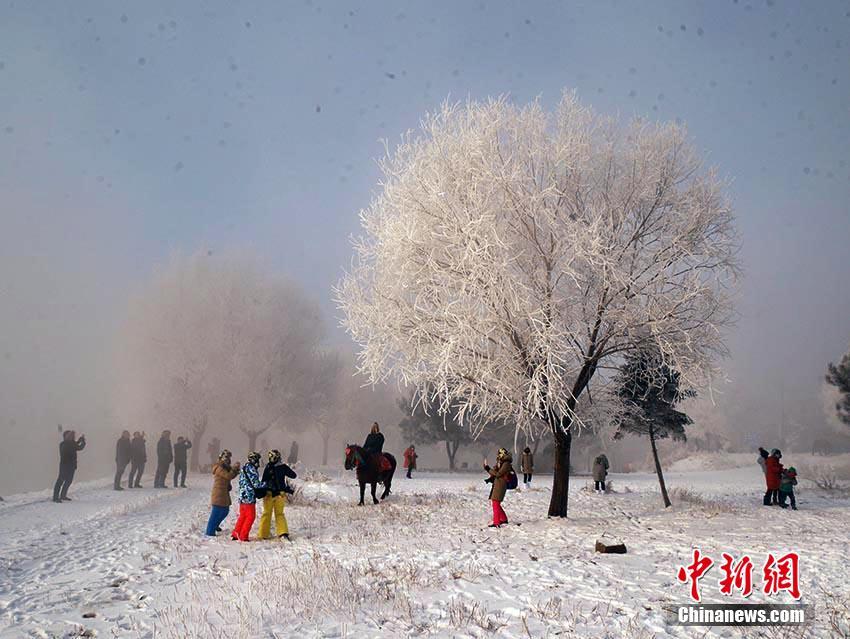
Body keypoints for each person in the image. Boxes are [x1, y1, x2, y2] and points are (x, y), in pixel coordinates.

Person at [258, 449, 297, 540]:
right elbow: (293, 475)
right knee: (279, 514)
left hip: (269, 494)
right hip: (280, 494)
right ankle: (283, 533)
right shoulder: (283, 467)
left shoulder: (268, 466)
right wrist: (285, 468)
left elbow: (264, 480)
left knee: (266, 513)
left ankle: (263, 534)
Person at [231, 451, 267, 541]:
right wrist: (266, 484)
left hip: (242, 495)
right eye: (257, 460)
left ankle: (236, 533)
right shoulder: (251, 469)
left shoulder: (244, 467)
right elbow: (256, 484)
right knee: (251, 516)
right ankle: (243, 536)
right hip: (249, 496)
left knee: (243, 515)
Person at [205, 450, 240, 536]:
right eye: (227, 458)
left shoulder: (224, 467)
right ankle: (209, 531)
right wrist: (234, 468)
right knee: (216, 512)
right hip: (219, 492)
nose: (229, 460)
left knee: (225, 511)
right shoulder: (218, 467)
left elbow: (230, 475)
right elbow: (228, 476)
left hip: (223, 492)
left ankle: (215, 525)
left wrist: (235, 469)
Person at [53, 430, 86, 503]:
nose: (72, 437)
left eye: (72, 436)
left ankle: (63, 495)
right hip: (65, 466)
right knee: (60, 481)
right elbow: (77, 447)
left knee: (68, 481)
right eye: (70, 436)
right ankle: (55, 497)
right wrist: (82, 441)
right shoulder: (64, 444)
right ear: (65, 436)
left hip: (71, 466)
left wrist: (80, 440)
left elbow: (77, 446)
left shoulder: (68, 443)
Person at [484, 448, 513, 527]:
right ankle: (503, 519)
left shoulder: (506, 463)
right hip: (497, 484)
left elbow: (498, 474)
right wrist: (490, 478)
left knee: (495, 503)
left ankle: (496, 522)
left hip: (501, 485)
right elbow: (495, 473)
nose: (498, 456)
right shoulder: (501, 462)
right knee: (496, 503)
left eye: (499, 454)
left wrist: (488, 469)